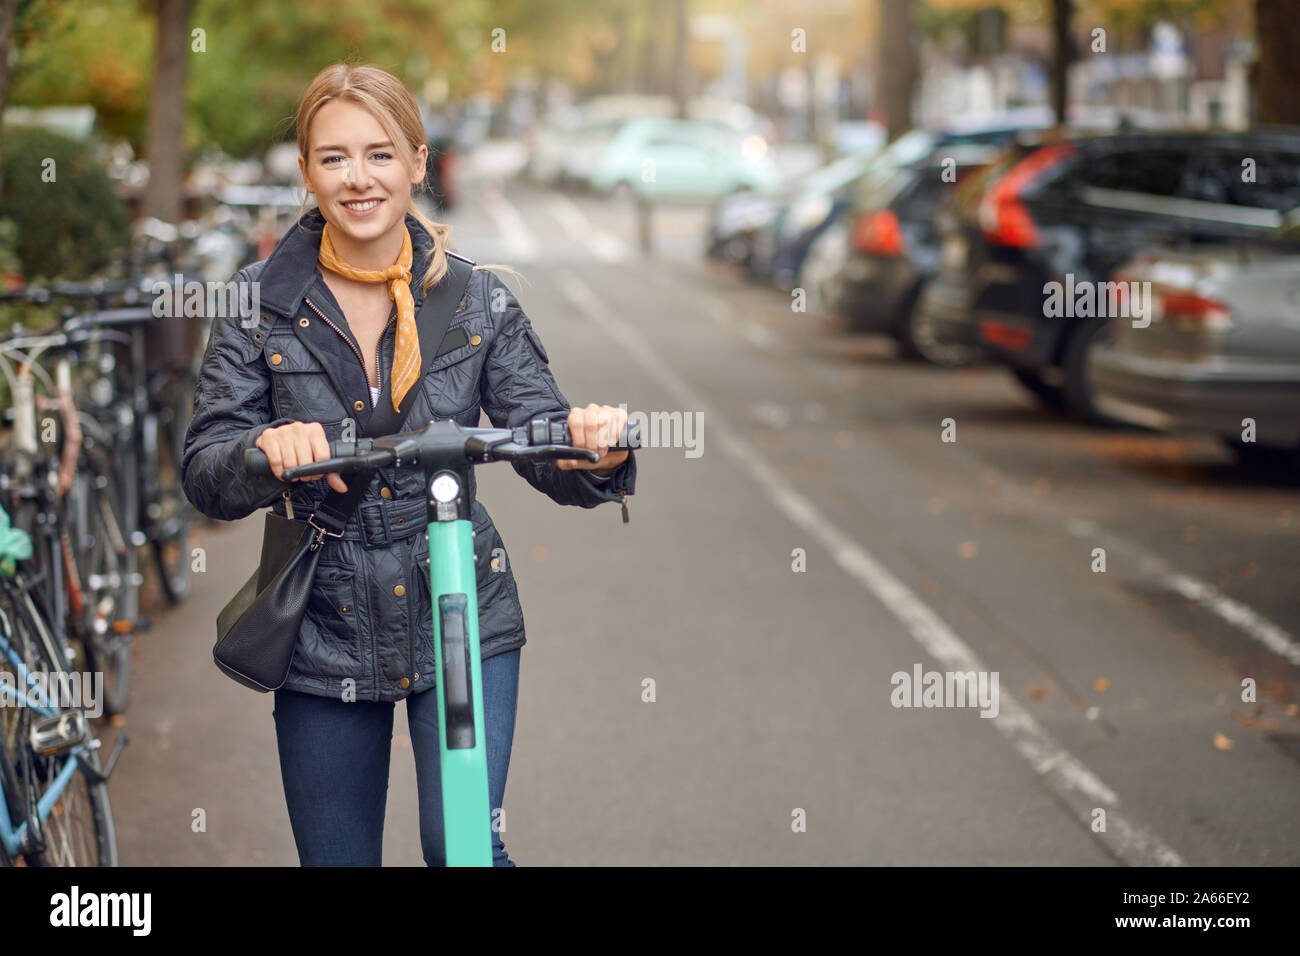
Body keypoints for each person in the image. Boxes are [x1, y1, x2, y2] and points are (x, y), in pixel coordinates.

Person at [180, 63, 637, 866]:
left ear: (419, 163)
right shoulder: (255, 302)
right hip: (324, 619)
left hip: (460, 600)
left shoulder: (475, 301)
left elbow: (542, 435)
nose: (358, 178)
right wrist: (261, 452)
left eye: (380, 154)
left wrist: (595, 444)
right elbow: (205, 471)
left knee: (461, 847)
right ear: (306, 172)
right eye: (334, 158)